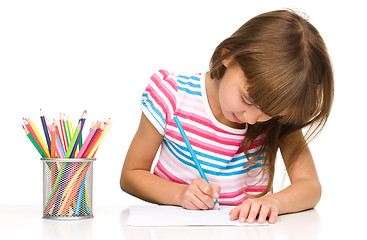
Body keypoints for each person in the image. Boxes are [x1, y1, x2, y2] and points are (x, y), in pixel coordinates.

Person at [120, 9, 334, 224]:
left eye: (268, 114)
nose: (251, 119)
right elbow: (131, 175)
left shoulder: (278, 115)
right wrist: (179, 194)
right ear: (228, 56)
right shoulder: (172, 96)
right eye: (248, 99)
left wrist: (274, 202)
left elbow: (310, 186)